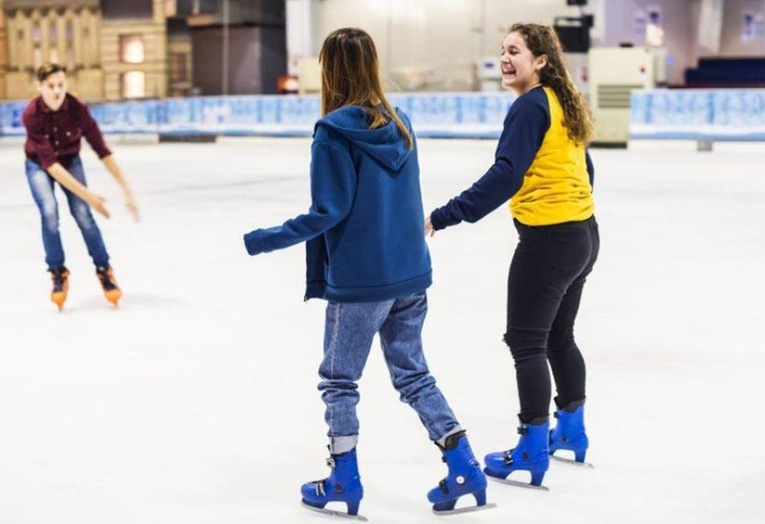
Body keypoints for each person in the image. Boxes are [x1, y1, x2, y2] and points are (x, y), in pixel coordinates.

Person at [243, 28, 492, 518]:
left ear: (330, 71)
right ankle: (464, 464)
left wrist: (263, 239)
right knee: (413, 374)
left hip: (361, 281)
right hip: (410, 274)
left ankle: (344, 479)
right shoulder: (401, 123)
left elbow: (327, 212)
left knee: (339, 380)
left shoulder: (333, 132)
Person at [426, 23, 599, 486]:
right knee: (559, 337)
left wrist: (445, 215)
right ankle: (571, 432)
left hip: (549, 241)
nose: (505, 58)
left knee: (526, 344)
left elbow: (506, 175)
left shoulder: (529, 106)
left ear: (540, 60)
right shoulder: (561, 101)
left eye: (515, 51)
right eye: (502, 50)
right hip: (582, 235)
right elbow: (585, 169)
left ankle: (531, 449)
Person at [22, 63, 139, 310]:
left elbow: (101, 149)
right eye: (51, 86)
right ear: (39, 87)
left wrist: (126, 189)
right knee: (49, 212)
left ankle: (104, 269)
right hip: (39, 165)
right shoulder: (31, 114)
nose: (57, 91)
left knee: (83, 214)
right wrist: (90, 196)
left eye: (61, 85)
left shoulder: (77, 109)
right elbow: (51, 166)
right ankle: (57, 272)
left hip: (70, 160)